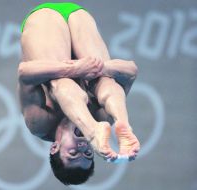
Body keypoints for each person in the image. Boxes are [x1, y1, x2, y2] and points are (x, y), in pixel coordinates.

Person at [18, 2, 140, 185]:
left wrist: (75, 69)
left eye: (73, 153)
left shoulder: (40, 124)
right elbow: (131, 71)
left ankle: (92, 131)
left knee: (62, 84)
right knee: (105, 83)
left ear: (55, 148)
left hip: (45, 18)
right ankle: (125, 124)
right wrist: (101, 68)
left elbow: (25, 73)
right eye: (88, 153)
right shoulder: (103, 119)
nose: (82, 147)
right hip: (78, 15)